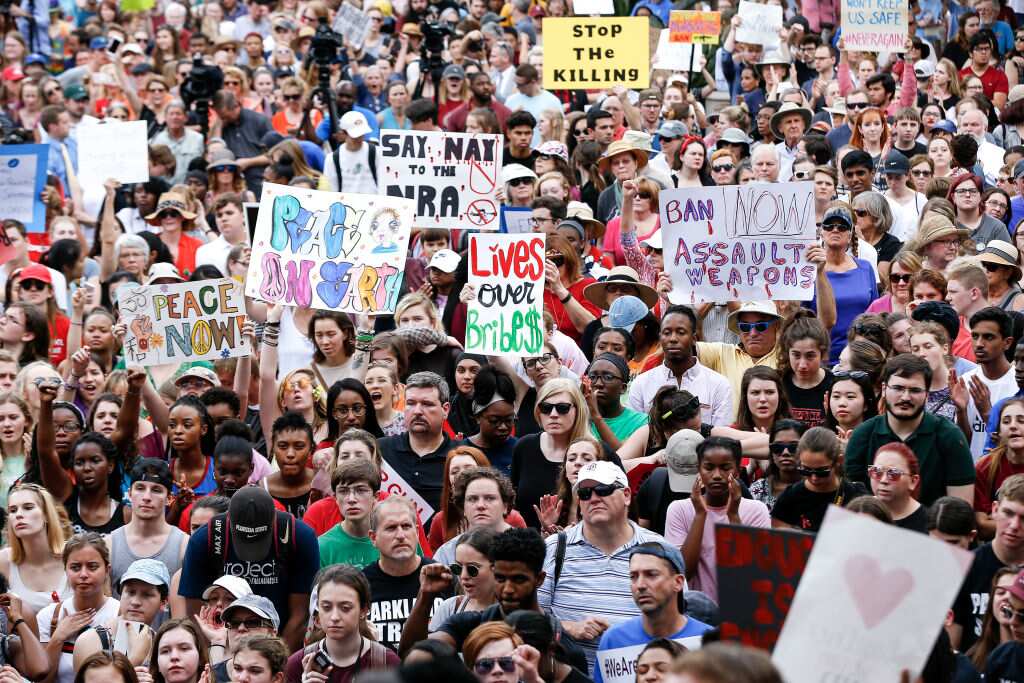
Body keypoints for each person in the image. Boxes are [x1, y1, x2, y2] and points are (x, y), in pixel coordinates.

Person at [537, 461, 664, 670]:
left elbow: (677, 619)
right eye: (585, 493)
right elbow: (532, 615)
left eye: (603, 490)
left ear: (626, 495)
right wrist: (567, 627)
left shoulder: (658, 549)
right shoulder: (553, 548)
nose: (594, 498)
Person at [179, 486, 319, 652]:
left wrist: (274, 663)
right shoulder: (206, 539)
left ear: (273, 518)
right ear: (229, 520)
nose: (251, 551)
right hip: (222, 640)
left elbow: (301, 615)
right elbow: (195, 615)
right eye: (245, 542)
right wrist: (220, 661)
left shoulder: (299, 537)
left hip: (281, 637)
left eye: (258, 542)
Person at [844, 354, 976, 506]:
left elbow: (961, 510)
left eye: (914, 390)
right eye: (898, 388)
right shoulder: (863, 435)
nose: (905, 397)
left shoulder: (950, 436)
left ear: (927, 395)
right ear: (884, 389)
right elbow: (852, 503)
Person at [664, 436, 770, 601]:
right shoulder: (679, 509)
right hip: (695, 613)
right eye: (709, 467)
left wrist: (733, 515)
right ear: (699, 469)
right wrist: (700, 514)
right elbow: (682, 572)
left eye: (725, 468)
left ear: (737, 470)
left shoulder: (757, 510)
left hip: (740, 607)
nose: (717, 475)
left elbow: (752, 572)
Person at [592, 542, 711, 683]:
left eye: (651, 575)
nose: (640, 585)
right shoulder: (613, 639)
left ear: (678, 582)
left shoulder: (709, 642)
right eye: (633, 576)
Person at [284, 565, 398, 682]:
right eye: (326, 607)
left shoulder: (386, 662)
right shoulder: (296, 665)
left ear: (363, 610)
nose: (334, 617)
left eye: (345, 608)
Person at [362, 496, 445, 652]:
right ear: (373, 538)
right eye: (391, 528)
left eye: (406, 526)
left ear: (417, 532)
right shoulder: (360, 585)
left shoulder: (441, 577)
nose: (400, 535)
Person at [627, 305, 732, 424]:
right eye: (667, 333)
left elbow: (721, 437)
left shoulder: (719, 385)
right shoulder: (641, 384)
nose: (673, 339)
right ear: (660, 338)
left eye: (681, 332)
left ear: (694, 338)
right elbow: (634, 433)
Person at [38, 533, 121, 683]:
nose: (83, 574)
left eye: (92, 567)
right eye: (75, 567)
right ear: (66, 570)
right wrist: (58, 638)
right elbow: (42, 679)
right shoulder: (48, 616)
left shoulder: (120, 614)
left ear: (107, 570)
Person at [954, 475, 1024, 651]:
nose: (1014, 525)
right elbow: (951, 650)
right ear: (994, 510)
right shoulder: (966, 567)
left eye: (1023, 518)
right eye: (1008, 513)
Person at [107, 458, 188, 596]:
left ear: (169, 498)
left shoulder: (184, 546)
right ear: (130, 494)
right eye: (140, 488)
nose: (146, 497)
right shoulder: (109, 545)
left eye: (156, 490)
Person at [377, 372, 454, 513]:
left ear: (445, 410)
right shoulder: (379, 450)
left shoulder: (461, 456)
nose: (417, 411)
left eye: (427, 404)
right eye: (411, 403)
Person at [772, 427, 869, 532]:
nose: (814, 478)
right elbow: (780, 542)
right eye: (806, 470)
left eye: (822, 471)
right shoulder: (789, 498)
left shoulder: (856, 495)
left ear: (839, 461)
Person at [960, 307, 1018, 459]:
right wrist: (961, 411)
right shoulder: (966, 381)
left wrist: (988, 414)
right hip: (975, 475)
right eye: (975, 336)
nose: (979, 344)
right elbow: (963, 444)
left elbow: (1015, 445)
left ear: (1007, 342)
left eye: (989, 337)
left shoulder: (1018, 383)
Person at [317, 460, 382, 569]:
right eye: (343, 491)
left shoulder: (399, 536)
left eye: (360, 490)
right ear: (335, 498)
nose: (351, 499)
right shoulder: (322, 547)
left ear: (376, 496)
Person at [869, 443, 928, 532]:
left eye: (894, 473)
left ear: (913, 481)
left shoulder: (929, 524)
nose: (883, 480)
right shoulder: (858, 512)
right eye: (877, 471)